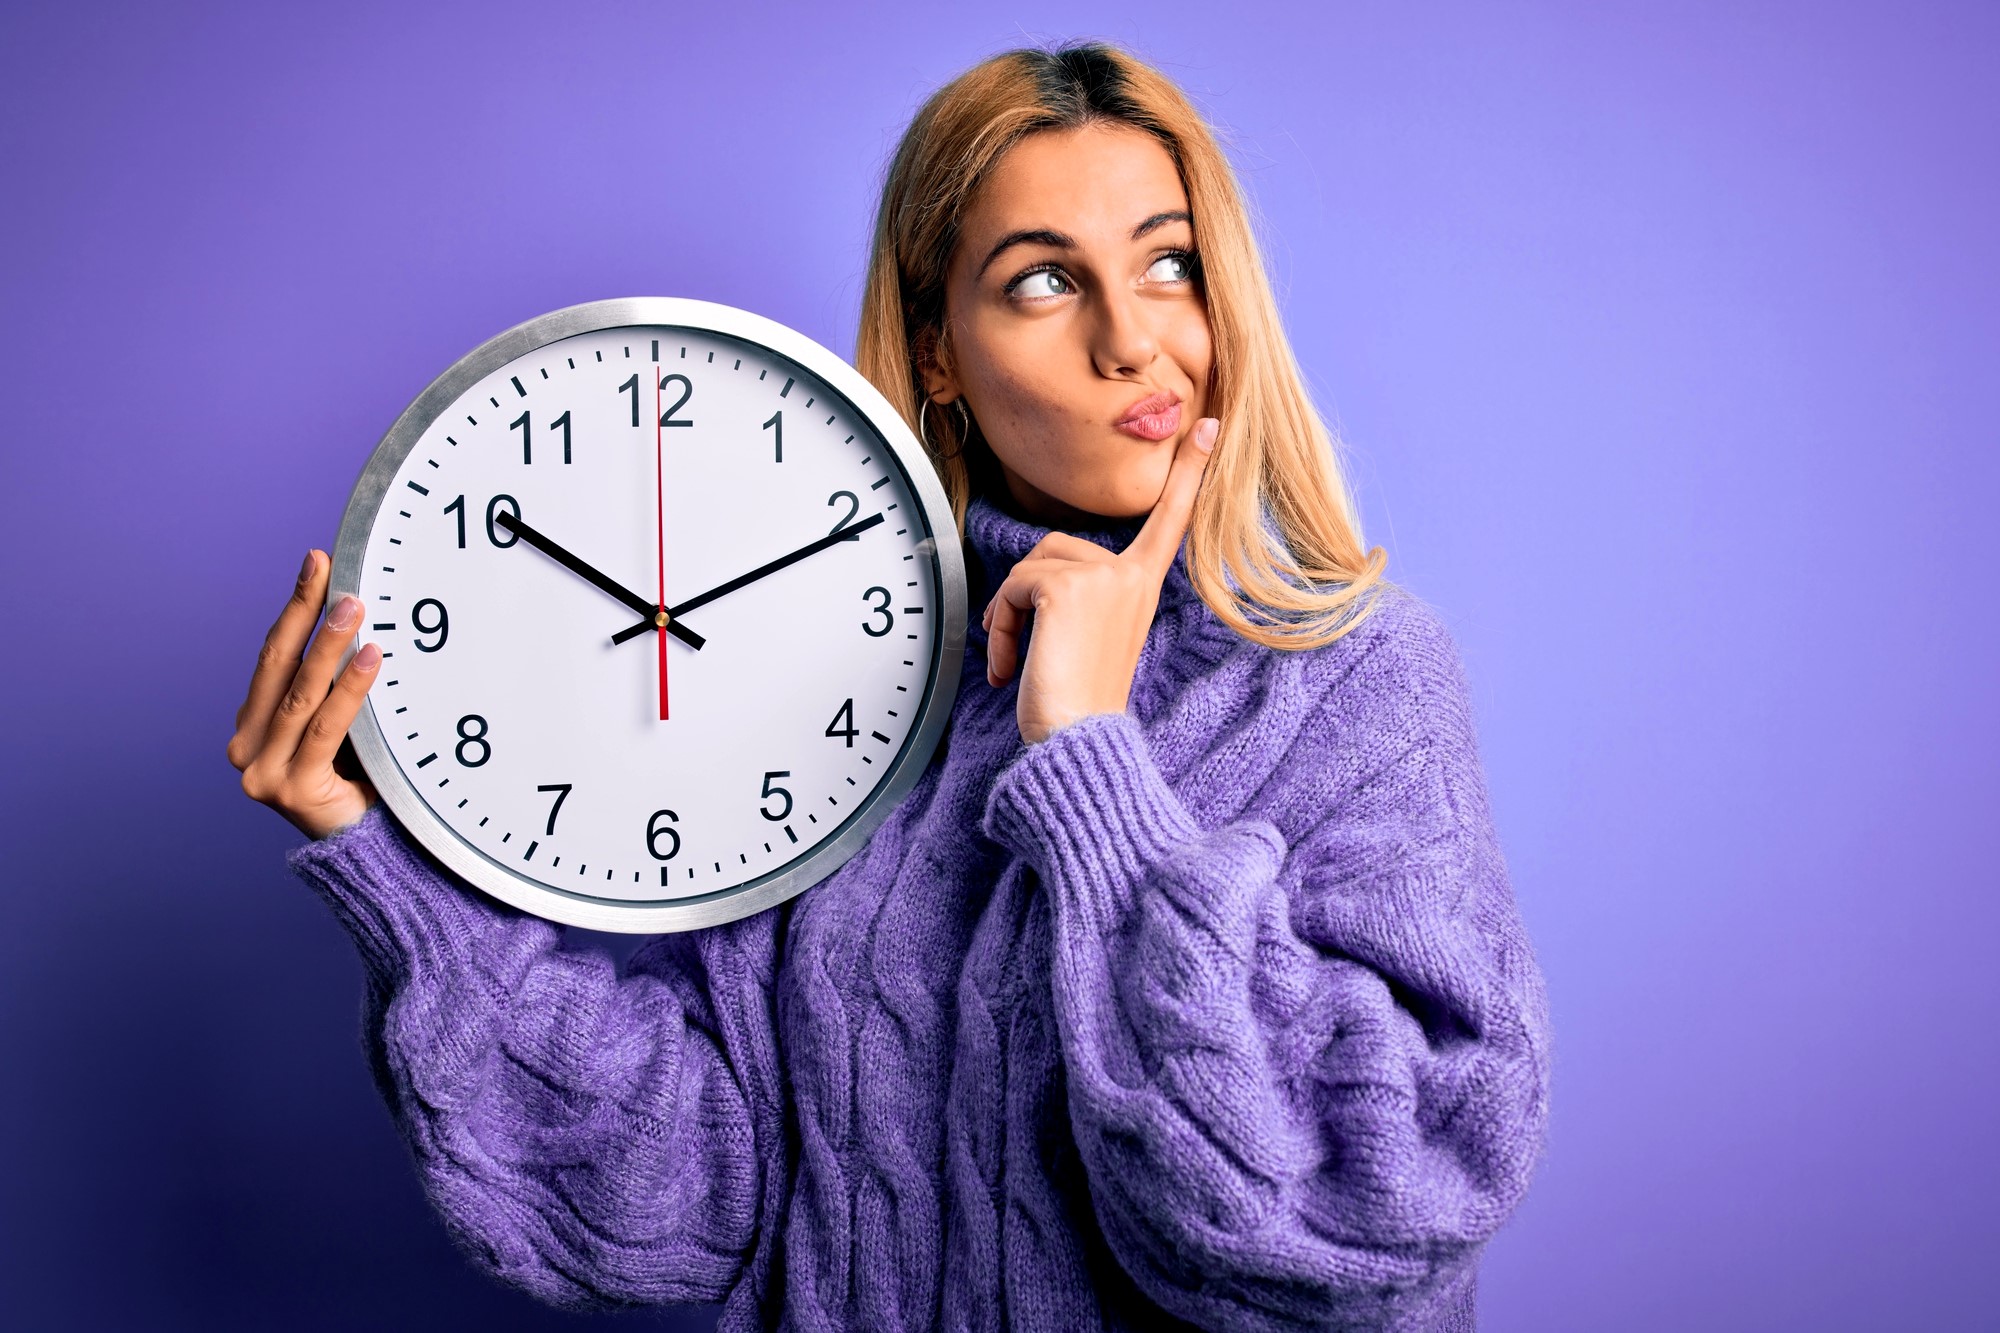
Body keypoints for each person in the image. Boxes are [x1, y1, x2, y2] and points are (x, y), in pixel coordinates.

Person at [229, 41, 1550, 1333]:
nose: (1132, 339)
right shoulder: (842, 693)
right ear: (937, 354)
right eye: (1043, 282)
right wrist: (389, 865)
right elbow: (682, 1202)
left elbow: (1370, 1218)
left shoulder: (1353, 675)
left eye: (1169, 264)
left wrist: (1091, 757)